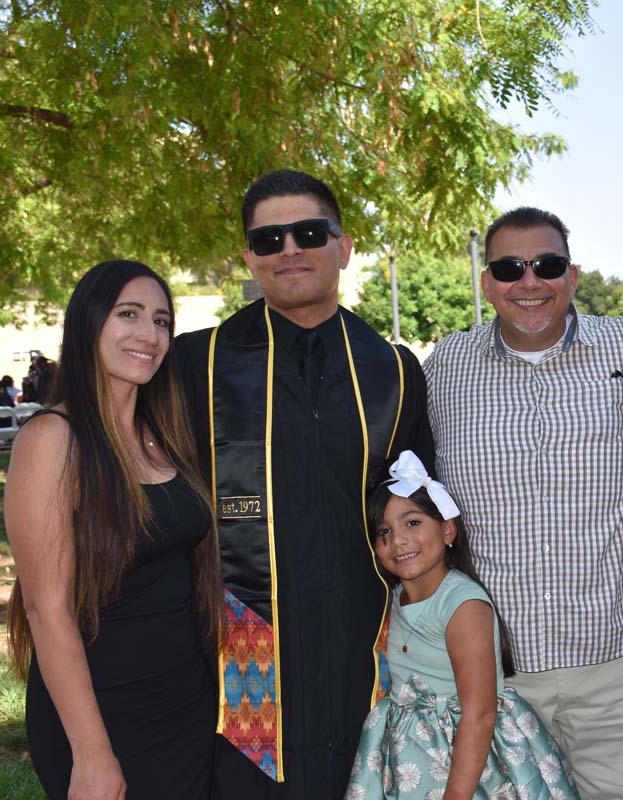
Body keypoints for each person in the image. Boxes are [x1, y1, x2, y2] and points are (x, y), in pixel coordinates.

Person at [174, 168, 434, 798]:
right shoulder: (195, 364)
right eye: (269, 240)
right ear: (250, 258)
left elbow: (416, 506)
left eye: (309, 232)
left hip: (361, 637)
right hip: (239, 642)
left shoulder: (393, 370)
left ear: (343, 248)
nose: (289, 249)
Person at [424, 207, 623, 799]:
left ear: (573, 276)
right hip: (494, 677)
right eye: (509, 268)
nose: (529, 282)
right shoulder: (445, 369)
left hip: (613, 663)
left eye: (547, 265)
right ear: (487, 282)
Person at [5, 260, 221, 799]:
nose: (149, 335)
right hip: (103, 713)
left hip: (185, 702)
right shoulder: (53, 439)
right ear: (89, 324)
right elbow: (45, 608)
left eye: (162, 320)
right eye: (129, 314)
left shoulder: (164, 432)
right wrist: (92, 752)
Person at [345, 451, 580, 799]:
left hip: (466, 761)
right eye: (384, 531)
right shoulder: (394, 598)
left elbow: (480, 713)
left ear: (447, 528)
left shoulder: (463, 605)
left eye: (412, 523)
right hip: (412, 757)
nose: (398, 540)